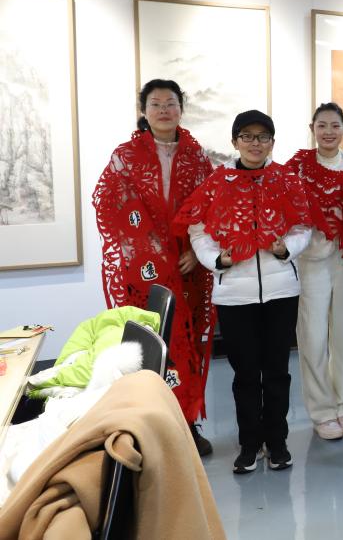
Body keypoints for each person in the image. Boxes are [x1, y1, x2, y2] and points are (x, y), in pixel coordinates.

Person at [173, 110, 312, 474]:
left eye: (263, 136)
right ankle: (249, 443)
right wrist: (216, 260)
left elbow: (303, 226)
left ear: (272, 142)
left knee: (277, 371)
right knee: (245, 374)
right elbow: (198, 229)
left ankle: (277, 441)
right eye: (247, 136)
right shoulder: (218, 183)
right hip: (234, 294)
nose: (255, 143)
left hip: (281, 291)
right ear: (235, 141)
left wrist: (286, 249)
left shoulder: (286, 180)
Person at [92, 79, 216, 455]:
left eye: (170, 103)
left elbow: (209, 208)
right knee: (149, 343)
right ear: (144, 111)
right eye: (156, 103)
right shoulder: (125, 156)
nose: (164, 110)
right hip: (143, 271)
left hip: (187, 268)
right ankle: (149, 424)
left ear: (181, 109)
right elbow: (108, 204)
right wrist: (148, 250)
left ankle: (187, 422)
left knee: (188, 345)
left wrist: (194, 251)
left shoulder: (197, 157)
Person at [286, 103, 343, 441]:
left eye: (335, 126)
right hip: (310, 259)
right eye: (322, 125)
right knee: (313, 335)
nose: (329, 132)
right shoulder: (297, 166)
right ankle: (322, 411)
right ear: (313, 129)